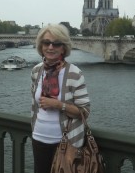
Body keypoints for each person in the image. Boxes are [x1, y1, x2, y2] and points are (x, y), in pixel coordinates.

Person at [30, 24, 90, 173]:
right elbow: (35, 104)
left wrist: (58, 105)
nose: (50, 47)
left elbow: (85, 112)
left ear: (63, 48)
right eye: (46, 42)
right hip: (39, 138)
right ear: (41, 46)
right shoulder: (37, 71)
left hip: (66, 143)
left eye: (56, 43)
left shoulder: (74, 73)